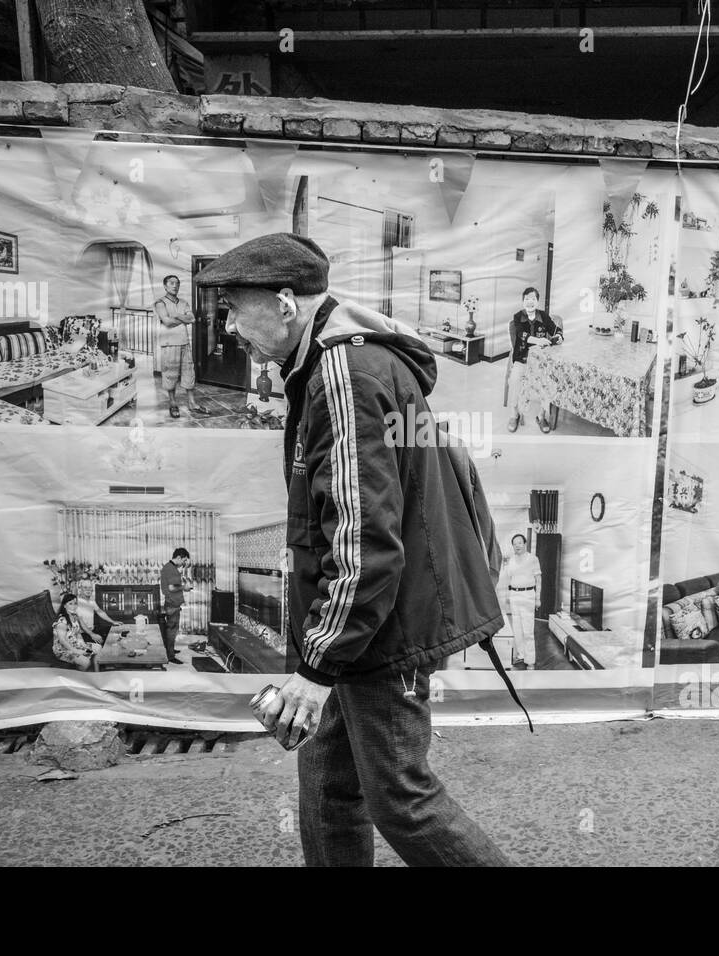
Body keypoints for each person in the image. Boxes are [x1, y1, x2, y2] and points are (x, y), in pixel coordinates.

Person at [196, 231, 511, 867]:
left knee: (400, 797)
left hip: (377, 630)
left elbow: (363, 536)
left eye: (234, 306)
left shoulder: (343, 371)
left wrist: (318, 667)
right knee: (329, 789)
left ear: (285, 303)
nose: (229, 325)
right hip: (354, 627)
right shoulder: (335, 362)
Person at [506, 287, 562, 433]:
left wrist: (559, 336)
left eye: (533, 299)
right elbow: (521, 334)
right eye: (527, 299)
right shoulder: (518, 316)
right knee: (515, 380)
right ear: (523, 301)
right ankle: (514, 414)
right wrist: (538, 340)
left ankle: (541, 416)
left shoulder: (543, 316)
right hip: (522, 359)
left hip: (540, 362)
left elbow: (555, 330)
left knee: (547, 382)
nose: (530, 302)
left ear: (537, 301)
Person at [153, 275, 202, 418]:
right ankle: (173, 403)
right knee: (170, 374)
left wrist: (177, 315)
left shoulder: (184, 302)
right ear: (165, 286)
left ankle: (192, 403)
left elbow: (192, 319)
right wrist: (183, 318)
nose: (175, 286)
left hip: (184, 342)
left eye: (177, 283)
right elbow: (167, 322)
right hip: (169, 344)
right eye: (172, 283)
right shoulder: (160, 303)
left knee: (189, 372)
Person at [498, 533, 540, 670]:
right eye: (515, 544)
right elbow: (508, 577)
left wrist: (538, 598)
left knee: (528, 631)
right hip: (515, 595)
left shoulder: (533, 559)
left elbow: (539, 580)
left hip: (528, 595)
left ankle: (530, 661)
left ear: (525, 544)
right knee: (517, 629)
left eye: (519, 543)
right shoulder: (511, 560)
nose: (517, 546)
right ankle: (521, 655)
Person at [52, 591, 103, 670]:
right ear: (64, 605)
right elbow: (63, 641)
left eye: (75, 603)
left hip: (75, 644)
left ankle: (97, 673)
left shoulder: (75, 616)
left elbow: (78, 633)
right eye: (70, 604)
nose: (74, 606)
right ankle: (80, 677)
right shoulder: (61, 621)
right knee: (86, 662)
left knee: (98, 648)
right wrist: (76, 651)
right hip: (64, 650)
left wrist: (83, 645)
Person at [159, 547, 192, 664]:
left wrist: (183, 585)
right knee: (172, 630)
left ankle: (170, 649)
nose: (184, 563)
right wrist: (185, 587)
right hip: (172, 604)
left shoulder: (170, 567)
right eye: (184, 560)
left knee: (172, 629)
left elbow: (175, 583)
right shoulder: (171, 569)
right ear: (178, 557)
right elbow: (172, 587)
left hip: (172, 603)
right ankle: (170, 656)